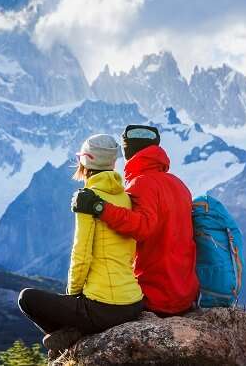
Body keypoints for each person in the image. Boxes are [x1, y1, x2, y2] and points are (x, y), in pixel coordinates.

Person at [18, 134, 144, 352]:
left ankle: (73, 333)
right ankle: (73, 331)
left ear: (85, 161)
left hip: (103, 307)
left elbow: (81, 254)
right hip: (133, 302)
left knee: (27, 298)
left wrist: (72, 293)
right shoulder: (126, 197)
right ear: (113, 162)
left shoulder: (87, 198)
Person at [72, 125, 199, 316]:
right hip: (185, 295)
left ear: (128, 151)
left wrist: (99, 207)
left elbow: (143, 227)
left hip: (157, 296)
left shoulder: (141, 183)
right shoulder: (178, 184)